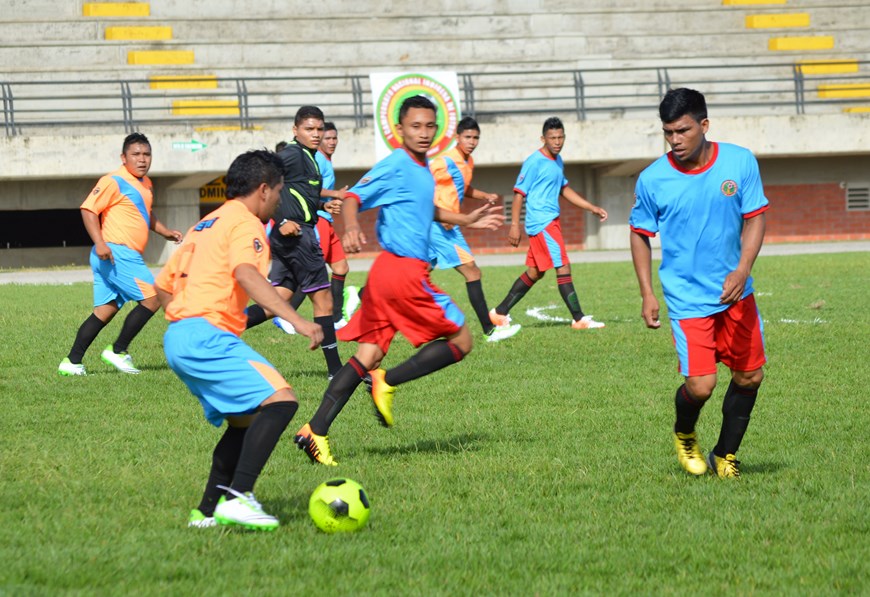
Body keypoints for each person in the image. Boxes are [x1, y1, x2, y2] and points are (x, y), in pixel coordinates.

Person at [293, 96, 504, 466]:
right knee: (463, 339)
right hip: (402, 273)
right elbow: (356, 195)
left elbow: (426, 207)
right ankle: (385, 382)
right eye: (415, 126)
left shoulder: (422, 168)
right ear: (399, 129)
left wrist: (467, 220)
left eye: (429, 126)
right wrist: (353, 225)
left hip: (388, 275)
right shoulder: (396, 164)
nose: (423, 133)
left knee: (367, 355)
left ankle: (315, 430)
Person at [155, 150, 323, 530]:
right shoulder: (245, 223)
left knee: (243, 422)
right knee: (282, 402)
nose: (279, 201)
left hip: (179, 336)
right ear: (263, 190)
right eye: (279, 192)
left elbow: (163, 286)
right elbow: (247, 273)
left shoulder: (206, 223)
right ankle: (239, 496)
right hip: (206, 336)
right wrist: (298, 320)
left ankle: (206, 512)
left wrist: (190, 317)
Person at [629, 88, 768, 479]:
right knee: (702, 385)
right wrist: (647, 294)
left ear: (704, 125)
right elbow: (639, 233)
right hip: (687, 298)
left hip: (737, 293)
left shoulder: (739, 162)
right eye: (667, 132)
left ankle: (725, 454)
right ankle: (685, 432)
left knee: (750, 376)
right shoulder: (653, 179)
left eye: (682, 131)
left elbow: (756, 216)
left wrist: (742, 269)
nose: (674, 140)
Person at [58, 132, 183, 376]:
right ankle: (118, 351)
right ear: (123, 157)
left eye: (146, 154)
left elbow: (145, 213)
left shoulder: (146, 184)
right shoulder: (113, 180)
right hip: (115, 252)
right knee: (154, 297)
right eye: (135, 154)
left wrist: (165, 231)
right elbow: (88, 210)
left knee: (104, 311)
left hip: (118, 255)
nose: (142, 159)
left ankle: (71, 362)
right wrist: (100, 242)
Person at [244, 106, 342, 378]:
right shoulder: (292, 154)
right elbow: (264, 180)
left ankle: (219, 328)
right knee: (324, 303)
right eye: (309, 129)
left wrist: (324, 203)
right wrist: (282, 218)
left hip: (294, 234)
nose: (316, 134)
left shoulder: (310, 157)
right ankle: (336, 371)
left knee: (276, 302)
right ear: (295, 130)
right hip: (298, 235)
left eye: (319, 129)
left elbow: (300, 192)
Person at [490, 117, 608, 330]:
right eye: (552, 138)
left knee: (535, 272)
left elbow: (564, 189)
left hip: (549, 222)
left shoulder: (558, 160)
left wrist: (591, 207)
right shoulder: (534, 162)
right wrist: (514, 225)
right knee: (562, 265)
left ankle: (499, 313)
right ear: (543, 138)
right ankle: (579, 318)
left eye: (561, 137)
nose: (557, 142)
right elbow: (518, 194)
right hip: (543, 223)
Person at [429, 116, 521, 343]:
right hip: (440, 225)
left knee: (411, 275)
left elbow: (462, 186)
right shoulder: (444, 160)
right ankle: (490, 330)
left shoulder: (468, 162)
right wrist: (442, 214)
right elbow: (425, 186)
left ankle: (358, 295)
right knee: (472, 271)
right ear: (457, 137)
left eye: (475, 138)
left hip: (448, 223)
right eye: (467, 137)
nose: (472, 141)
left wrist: (483, 195)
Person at [275, 122, 360, 333]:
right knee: (313, 271)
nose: (331, 142)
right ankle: (285, 315)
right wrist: (333, 195)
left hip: (326, 218)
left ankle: (337, 316)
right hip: (316, 219)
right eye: (327, 138)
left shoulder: (324, 160)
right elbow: (306, 188)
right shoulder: (315, 159)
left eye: (334, 138)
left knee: (341, 267)